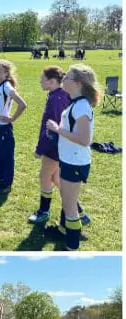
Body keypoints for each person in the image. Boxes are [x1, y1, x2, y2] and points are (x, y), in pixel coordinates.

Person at [45, 64, 100, 250]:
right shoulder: (75, 102)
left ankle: (72, 247)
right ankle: (63, 230)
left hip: (75, 162)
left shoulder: (81, 106)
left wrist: (57, 129)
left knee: (70, 207)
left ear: (77, 83)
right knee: (66, 197)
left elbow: (85, 140)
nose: (63, 79)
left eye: (66, 77)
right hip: (69, 159)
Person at [29, 66, 70, 225]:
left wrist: (40, 149)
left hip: (54, 147)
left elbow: (52, 129)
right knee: (55, 177)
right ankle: (79, 210)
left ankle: (43, 212)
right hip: (58, 145)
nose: (40, 81)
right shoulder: (57, 95)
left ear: (52, 81)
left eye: (42, 79)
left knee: (44, 176)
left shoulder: (56, 99)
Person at [0, 59, 26, 192]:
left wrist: (12, 118)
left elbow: (22, 104)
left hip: (3, 127)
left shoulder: (7, 86)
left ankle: (6, 183)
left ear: (6, 73)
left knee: (5, 155)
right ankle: (0, 177)